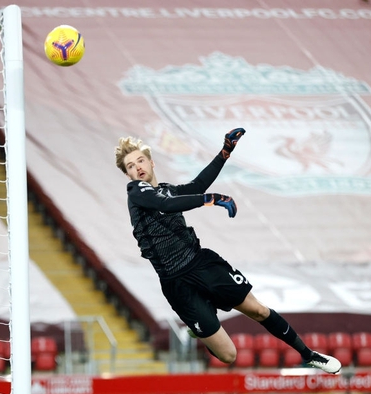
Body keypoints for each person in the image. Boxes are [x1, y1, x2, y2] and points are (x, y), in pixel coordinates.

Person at [114, 128, 341, 374]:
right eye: (130, 166)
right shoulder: (136, 193)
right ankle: (200, 317)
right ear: (128, 175)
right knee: (228, 356)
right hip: (176, 283)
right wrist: (209, 199)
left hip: (202, 263)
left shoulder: (167, 189)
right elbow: (165, 205)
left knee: (259, 310)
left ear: (151, 162)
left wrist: (225, 152)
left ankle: (309, 355)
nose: (137, 167)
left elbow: (197, 184)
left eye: (140, 160)